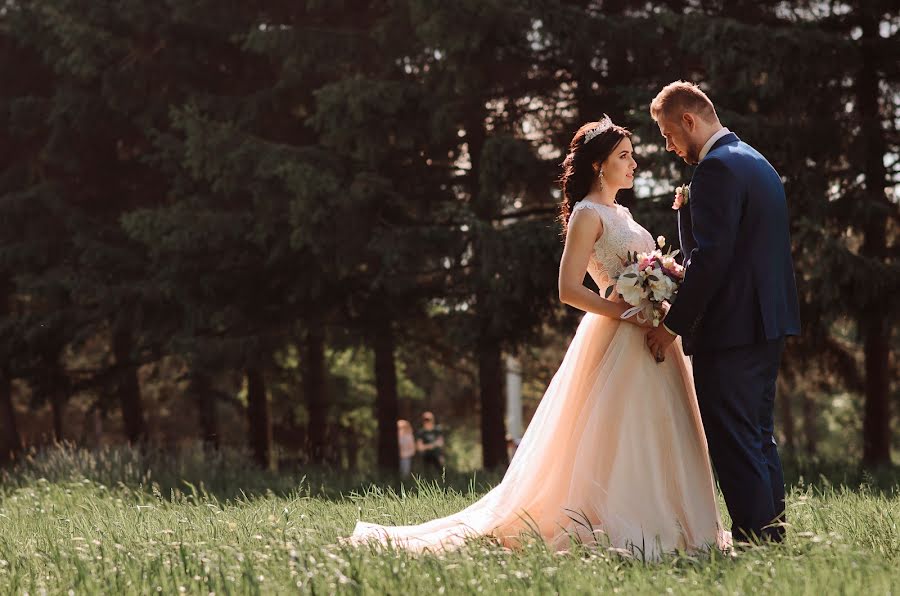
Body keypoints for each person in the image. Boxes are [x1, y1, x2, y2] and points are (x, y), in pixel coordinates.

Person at [348, 115, 729, 557]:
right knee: (621, 433)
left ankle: (678, 528)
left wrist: (662, 287)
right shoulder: (588, 214)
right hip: (618, 335)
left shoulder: (622, 212)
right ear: (597, 166)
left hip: (651, 333)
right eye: (624, 156)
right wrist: (624, 311)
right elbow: (569, 290)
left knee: (660, 429)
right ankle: (626, 527)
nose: (635, 164)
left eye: (632, 155)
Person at [645, 81, 801, 543]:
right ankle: (771, 540)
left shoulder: (715, 169)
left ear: (689, 120)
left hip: (731, 329)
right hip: (765, 323)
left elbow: (712, 261)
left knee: (735, 441)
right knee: (757, 436)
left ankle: (755, 541)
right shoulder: (756, 162)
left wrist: (672, 326)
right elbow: (728, 248)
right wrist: (684, 218)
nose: (668, 146)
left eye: (668, 133)